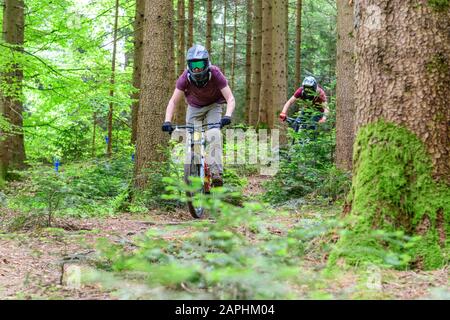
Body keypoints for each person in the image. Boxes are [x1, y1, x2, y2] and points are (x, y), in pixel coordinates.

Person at [161, 44, 235, 187]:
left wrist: (227, 115)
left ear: (206, 63)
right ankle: (194, 170)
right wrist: (167, 121)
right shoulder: (185, 78)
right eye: (193, 64)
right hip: (194, 108)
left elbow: (230, 98)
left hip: (214, 106)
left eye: (200, 64)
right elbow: (173, 101)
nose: (197, 68)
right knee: (193, 140)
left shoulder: (215, 73)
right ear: (189, 64)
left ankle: (216, 173)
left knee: (213, 134)